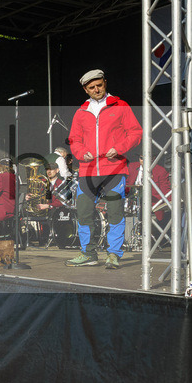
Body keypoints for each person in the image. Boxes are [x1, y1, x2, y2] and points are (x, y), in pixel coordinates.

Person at [65, 69, 143, 269]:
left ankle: (114, 254)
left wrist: (119, 148)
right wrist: (81, 153)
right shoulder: (81, 112)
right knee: (84, 213)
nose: (96, 89)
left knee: (115, 212)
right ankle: (88, 253)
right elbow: (74, 140)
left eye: (99, 85)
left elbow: (135, 133)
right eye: (92, 87)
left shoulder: (121, 106)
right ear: (86, 89)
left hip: (115, 168)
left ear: (105, 83)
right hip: (88, 170)